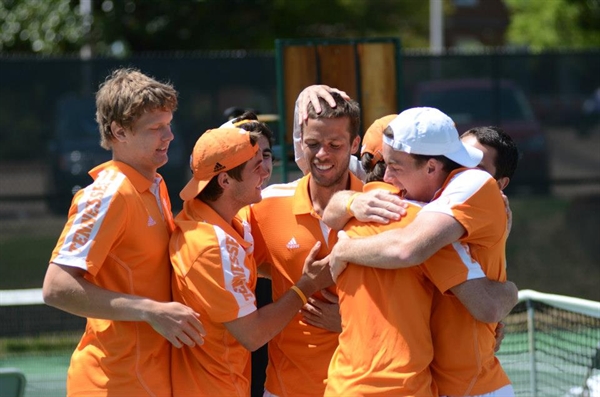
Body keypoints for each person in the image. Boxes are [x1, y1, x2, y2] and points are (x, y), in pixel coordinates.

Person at [327, 107, 518, 396]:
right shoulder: (415, 207)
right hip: (437, 384)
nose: (390, 177)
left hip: (472, 387)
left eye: (397, 166)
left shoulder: (471, 186)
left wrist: (345, 249)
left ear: (431, 167)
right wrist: (349, 202)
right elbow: (330, 208)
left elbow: (407, 248)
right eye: (385, 164)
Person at [42, 68, 206, 397]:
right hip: (111, 384)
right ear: (119, 132)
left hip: (146, 380)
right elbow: (56, 287)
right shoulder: (108, 194)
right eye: (155, 128)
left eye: (169, 124)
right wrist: (150, 310)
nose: (169, 136)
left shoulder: (154, 185)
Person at [169, 127, 332, 397]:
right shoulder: (211, 245)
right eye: (256, 166)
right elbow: (253, 334)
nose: (265, 172)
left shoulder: (209, 220)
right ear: (224, 181)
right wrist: (307, 284)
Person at [247, 90, 363, 396]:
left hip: (364, 387)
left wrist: (355, 321)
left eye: (335, 145)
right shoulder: (266, 206)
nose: (322, 154)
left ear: (355, 144)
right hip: (286, 389)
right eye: (312, 144)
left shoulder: (382, 205)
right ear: (300, 144)